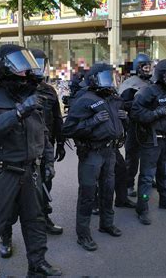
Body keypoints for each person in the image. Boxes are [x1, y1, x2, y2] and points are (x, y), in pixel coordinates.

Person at [0, 45, 61, 275]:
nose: (26, 71)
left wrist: (47, 162)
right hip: (1, 173)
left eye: (27, 64)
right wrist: (18, 112)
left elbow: (43, 133)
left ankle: (38, 264)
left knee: (36, 220)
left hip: (31, 171)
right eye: (20, 66)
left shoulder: (31, 94)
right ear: (4, 67)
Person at [0, 49, 65, 259]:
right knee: (11, 199)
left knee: (44, 187)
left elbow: (57, 117)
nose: (36, 68)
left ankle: (44, 219)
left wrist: (61, 141)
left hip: (44, 146)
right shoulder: (15, 90)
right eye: (31, 63)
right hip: (19, 151)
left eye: (40, 63)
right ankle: (5, 237)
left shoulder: (49, 90)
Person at [62, 63, 126, 252]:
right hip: (92, 153)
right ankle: (83, 234)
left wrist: (124, 119)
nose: (109, 81)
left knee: (108, 190)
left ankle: (106, 224)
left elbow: (115, 124)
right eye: (105, 77)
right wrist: (93, 121)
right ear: (94, 79)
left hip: (110, 152)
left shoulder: (113, 99)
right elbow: (69, 129)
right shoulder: (84, 99)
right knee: (88, 194)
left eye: (111, 77)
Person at [130, 59, 166, 225]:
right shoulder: (149, 91)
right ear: (162, 75)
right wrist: (156, 113)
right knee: (147, 177)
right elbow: (135, 113)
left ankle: (165, 200)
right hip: (151, 140)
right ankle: (143, 207)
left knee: (165, 172)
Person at [118, 53, 152, 197]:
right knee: (132, 158)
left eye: (149, 67)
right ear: (138, 68)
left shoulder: (151, 83)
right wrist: (140, 103)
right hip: (134, 125)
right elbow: (122, 105)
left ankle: (147, 182)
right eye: (145, 67)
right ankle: (128, 185)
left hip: (149, 123)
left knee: (149, 157)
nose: (148, 70)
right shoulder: (130, 84)